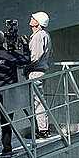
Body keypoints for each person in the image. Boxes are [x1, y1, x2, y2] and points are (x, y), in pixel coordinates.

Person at [0, 30, 30, 157]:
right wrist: (25, 45)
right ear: (3, 42)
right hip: (7, 93)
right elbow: (26, 59)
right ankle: (7, 149)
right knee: (6, 122)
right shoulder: (9, 55)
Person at [24, 11, 53, 139]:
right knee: (38, 100)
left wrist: (25, 64)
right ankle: (41, 128)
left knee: (37, 101)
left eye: (33, 18)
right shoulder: (45, 35)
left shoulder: (38, 36)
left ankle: (42, 130)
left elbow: (34, 57)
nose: (31, 19)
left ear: (37, 22)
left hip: (35, 72)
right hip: (40, 71)